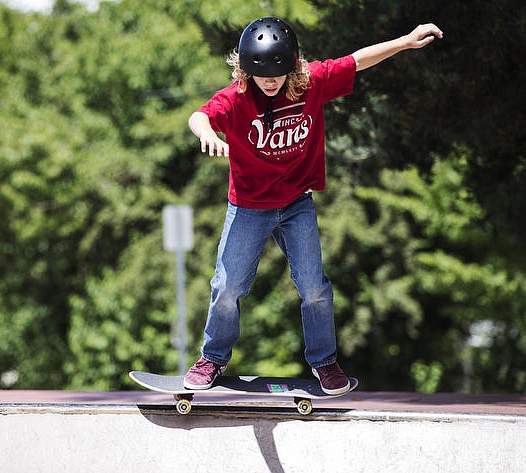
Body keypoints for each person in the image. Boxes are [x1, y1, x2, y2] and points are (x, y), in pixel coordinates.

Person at [184, 17, 443, 394]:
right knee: (227, 286)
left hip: (295, 204)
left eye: (278, 73)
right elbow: (199, 115)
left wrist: (404, 42)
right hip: (250, 207)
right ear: (245, 70)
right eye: (262, 75)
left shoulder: (310, 82)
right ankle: (212, 359)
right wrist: (207, 133)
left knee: (314, 287)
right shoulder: (236, 98)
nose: (271, 82)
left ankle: (324, 362)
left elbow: (356, 60)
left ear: (292, 65)